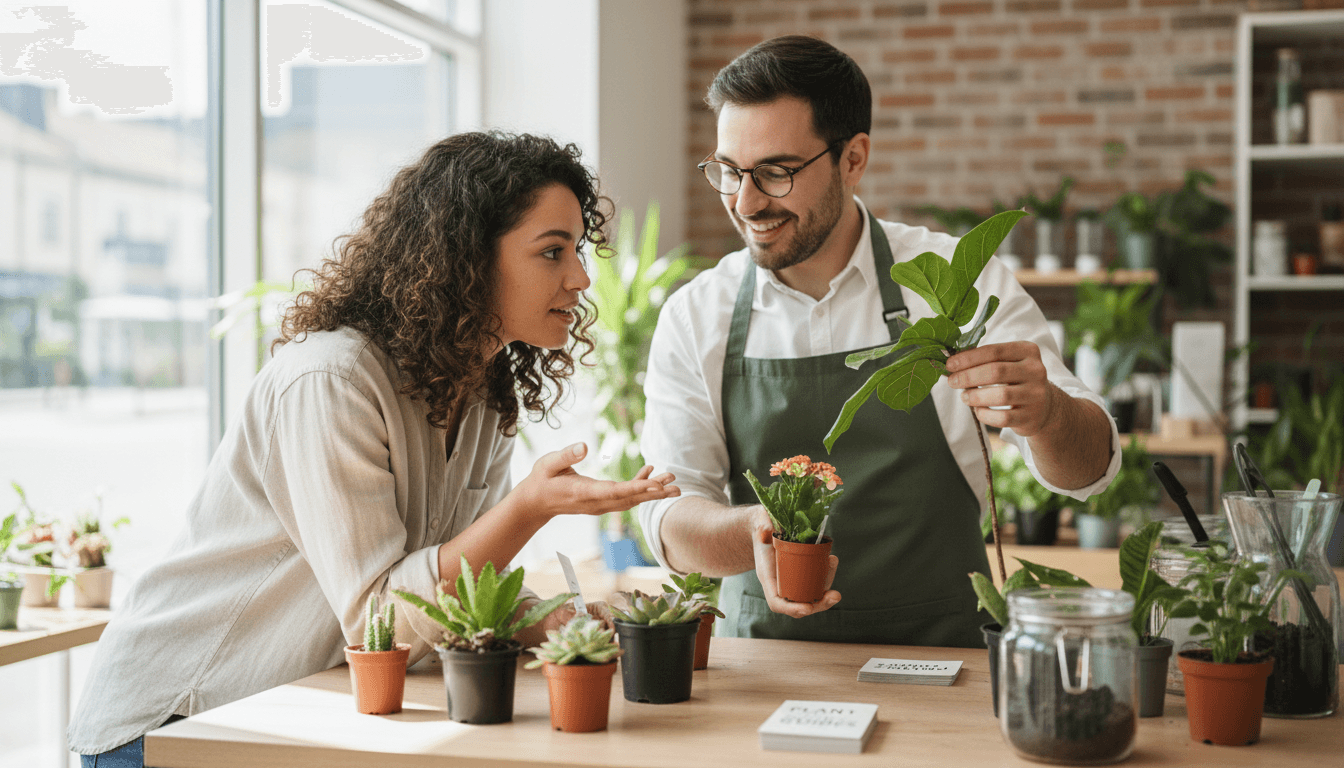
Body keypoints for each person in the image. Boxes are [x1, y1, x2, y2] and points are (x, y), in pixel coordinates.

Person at [70, 132, 679, 766]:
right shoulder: (331, 381)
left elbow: (459, 587)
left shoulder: (485, 393)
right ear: (466, 259)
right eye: (552, 252)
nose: (580, 277)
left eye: (577, 250)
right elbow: (380, 623)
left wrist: (550, 617)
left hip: (286, 712)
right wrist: (529, 507)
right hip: (176, 721)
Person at [638, 36, 1119, 648]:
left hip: (946, 661)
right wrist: (757, 530)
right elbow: (668, 519)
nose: (746, 201)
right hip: (765, 670)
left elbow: (1088, 473)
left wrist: (1048, 413)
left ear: (854, 158)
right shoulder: (695, 315)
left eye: (777, 172)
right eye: (729, 171)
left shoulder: (952, 282)